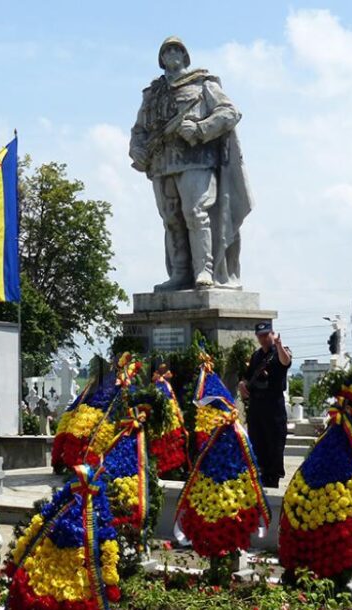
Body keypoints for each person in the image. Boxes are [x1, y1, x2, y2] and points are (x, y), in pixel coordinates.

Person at [129, 36, 252, 290]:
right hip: (162, 164)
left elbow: (230, 112)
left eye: (177, 49)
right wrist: (137, 150)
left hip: (197, 160)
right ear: (161, 59)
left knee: (196, 214)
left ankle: (204, 271)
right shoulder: (152, 94)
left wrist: (200, 128)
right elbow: (139, 130)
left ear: (185, 56)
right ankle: (180, 274)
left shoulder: (201, 84)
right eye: (167, 50)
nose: (172, 53)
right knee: (171, 220)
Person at [238, 321, 292, 488]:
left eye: (266, 335)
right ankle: (260, 478)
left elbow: (286, 362)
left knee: (274, 447)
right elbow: (246, 377)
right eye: (260, 336)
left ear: (272, 334)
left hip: (274, 408)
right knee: (257, 445)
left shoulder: (280, 352)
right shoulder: (256, 356)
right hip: (257, 408)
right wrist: (242, 384)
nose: (263, 339)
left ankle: (272, 480)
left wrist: (279, 345)